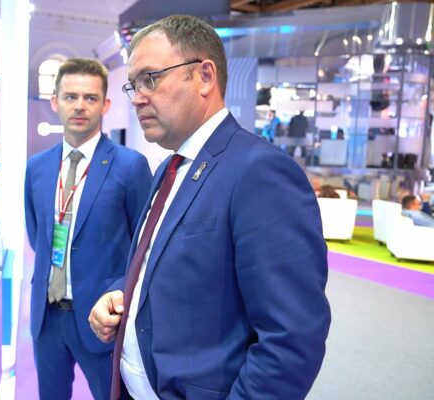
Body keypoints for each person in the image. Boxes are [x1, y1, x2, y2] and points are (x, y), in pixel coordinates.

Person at [88, 15, 330, 400]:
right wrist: (121, 294)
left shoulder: (259, 172)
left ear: (204, 76)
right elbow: (164, 264)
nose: (136, 97)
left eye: (150, 78)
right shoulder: (170, 168)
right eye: (133, 84)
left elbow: (291, 341)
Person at [24, 57, 152, 400]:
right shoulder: (36, 168)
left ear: (105, 105)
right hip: (47, 317)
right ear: (55, 102)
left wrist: (117, 295)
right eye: (70, 96)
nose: (79, 106)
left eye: (90, 98)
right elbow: (37, 234)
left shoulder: (130, 166)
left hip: (102, 319)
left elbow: (145, 247)